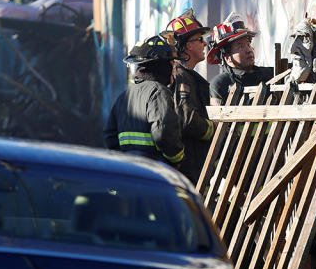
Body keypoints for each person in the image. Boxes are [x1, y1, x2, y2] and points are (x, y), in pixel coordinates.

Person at [103, 35, 184, 167]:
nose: (173, 70)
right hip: (155, 170)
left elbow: (109, 135)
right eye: (171, 64)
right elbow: (163, 132)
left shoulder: (125, 95)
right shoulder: (158, 92)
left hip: (129, 170)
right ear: (161, 66)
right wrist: (177, 159)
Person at [165, 9, 215, 183]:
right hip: (188, 164)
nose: (205, 44)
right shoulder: (181, 76)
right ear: (188, 45)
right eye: (200, 39)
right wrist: (214, 129)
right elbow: (187, 120)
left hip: (191, 162)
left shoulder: (181, 74)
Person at [207, 12, 275, 105]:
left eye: (248, 44)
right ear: (227, 57)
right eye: (240, 47)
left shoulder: (269, 75)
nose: (248, 50)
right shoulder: (220, 85)